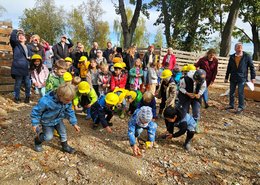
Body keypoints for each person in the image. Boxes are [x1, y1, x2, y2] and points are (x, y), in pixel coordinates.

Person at [31, 84, 80, 153]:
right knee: (48, 137)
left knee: (63, 132)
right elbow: (36, 112)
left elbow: (70, 111)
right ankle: (37, 140)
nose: (69, 102)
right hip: (47, 121)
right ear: (60, 96)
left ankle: (65, 146)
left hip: (58, 119)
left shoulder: (67, 101)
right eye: (67, 100)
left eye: (70, 100)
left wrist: (74, 123)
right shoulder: (46, 101)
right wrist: (35, 123)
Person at [224, 43, 256, 114]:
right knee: (231, 92)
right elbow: (229, 68)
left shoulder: (247, 56)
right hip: (233, 77)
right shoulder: (232, 57)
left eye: (240, 47)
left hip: (242, 78)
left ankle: (240, 107)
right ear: (235, 49)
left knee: (240, 92)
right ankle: (231, 105)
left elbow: (252, 67)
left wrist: (253, 77)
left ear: (242, 48)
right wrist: (226, 77)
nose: (239, 48)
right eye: (238, 47)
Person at [10, 29, 32, 103]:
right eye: (19, 35)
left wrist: (30, 57)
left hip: (26, 68)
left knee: (28, 84)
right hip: (18, 68)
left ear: (25, 39)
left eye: (22, 35)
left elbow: (31, 55)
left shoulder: (28, 47)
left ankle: (27, 97)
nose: (21, 36)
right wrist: (16, 30)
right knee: (18, 84)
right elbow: (12, 38)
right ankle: (16, 98)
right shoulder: (16, 44)